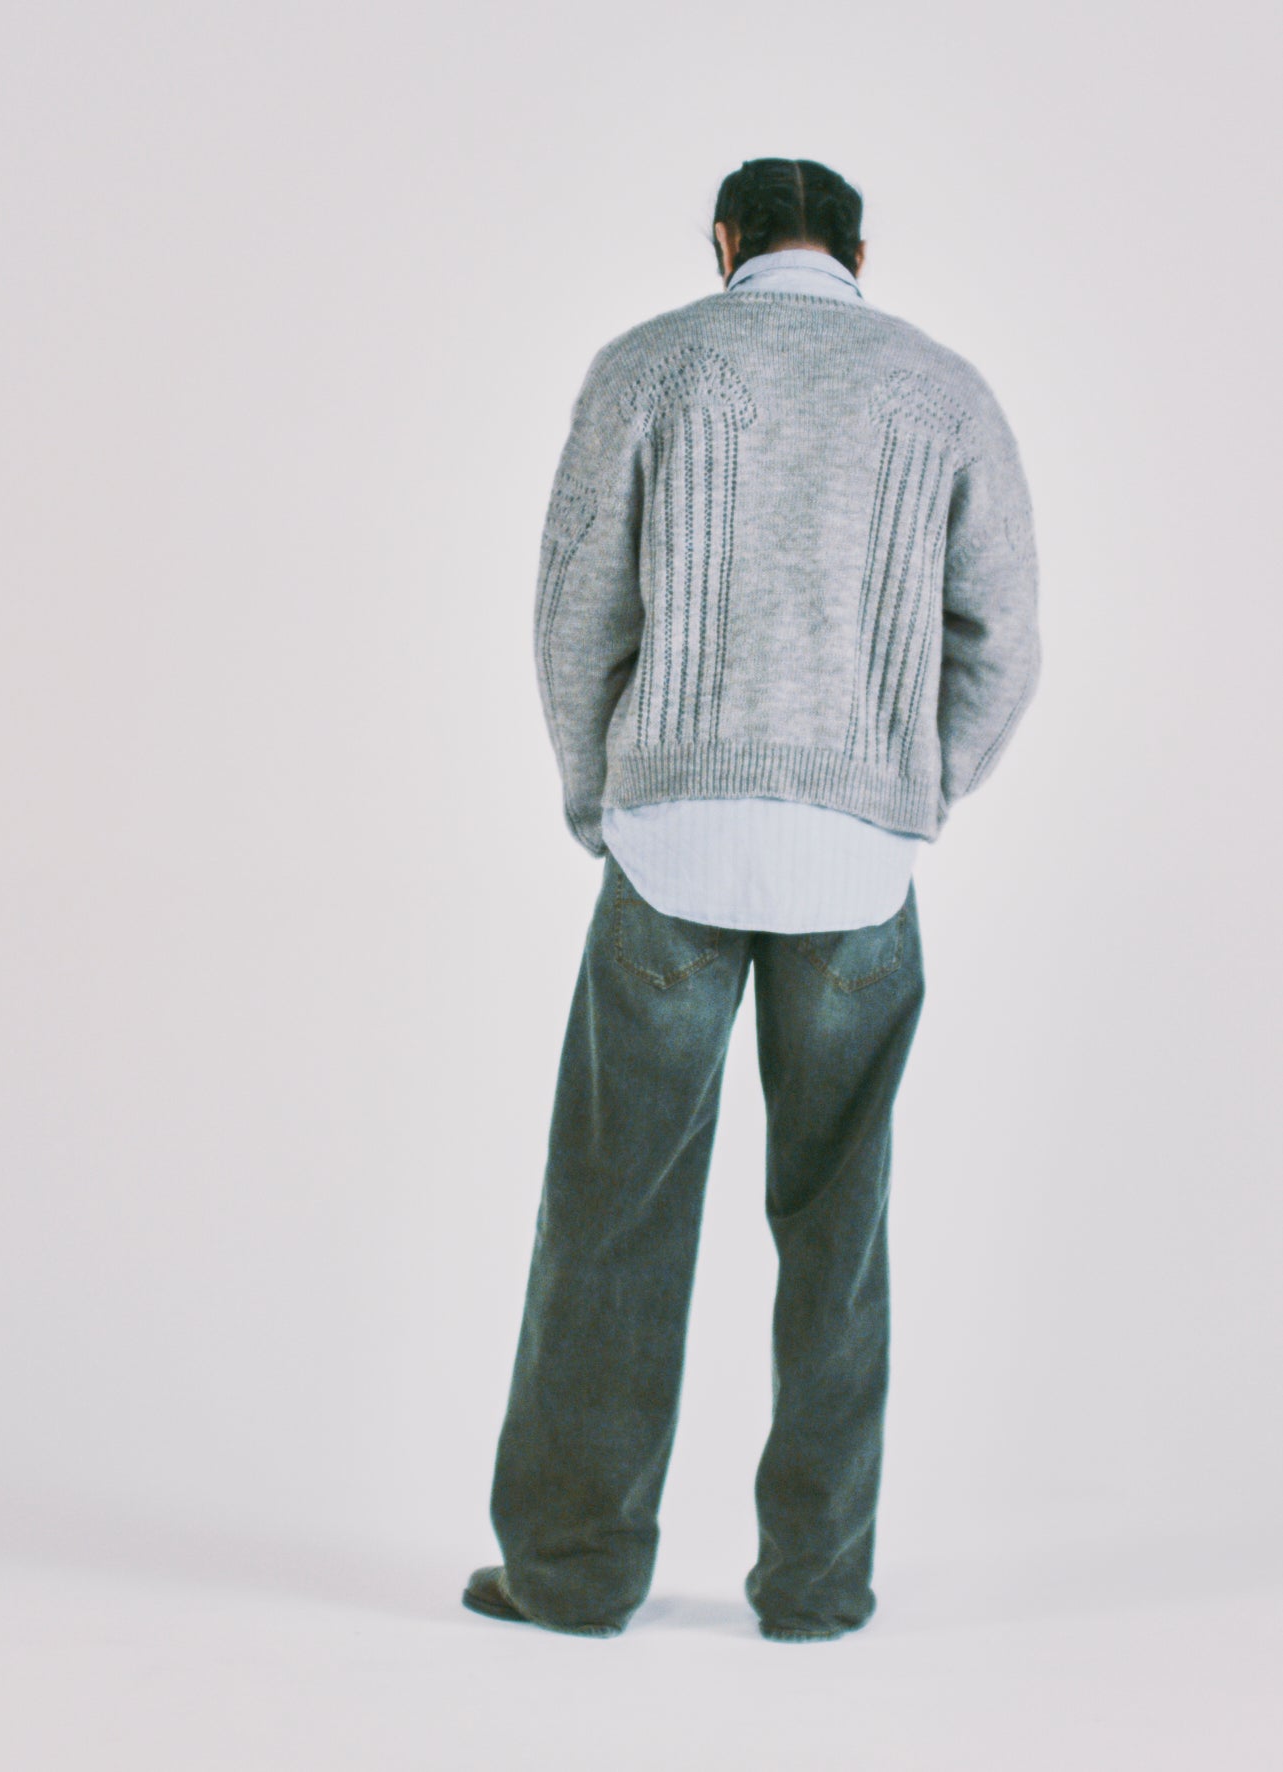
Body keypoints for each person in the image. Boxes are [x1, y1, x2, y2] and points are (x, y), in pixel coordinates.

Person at [462, 156, 1042, 1642]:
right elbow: (1005, 640)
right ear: (860, 254)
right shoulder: (943, 391)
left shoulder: (648, 366)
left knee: (611, 1215)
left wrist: (600, 795)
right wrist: (912, 790)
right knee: (837, 1226)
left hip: (672, 845)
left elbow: (573, 613)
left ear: (724, 242)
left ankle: (572, 1575)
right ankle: (816, 1585)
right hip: (858, 865)